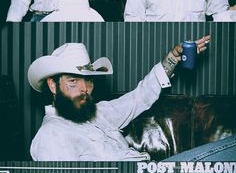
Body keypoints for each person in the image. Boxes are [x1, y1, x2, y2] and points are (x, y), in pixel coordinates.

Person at [28, 37, 210, 161]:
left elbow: (139, 97)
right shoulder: (51, 135)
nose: (84, 88)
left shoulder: (97, 112)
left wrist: (171, 59)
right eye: (73, 81)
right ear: (53, 85)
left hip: (154, 171)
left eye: (88, 80)